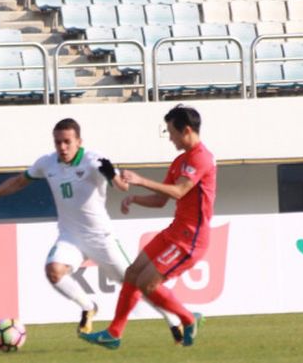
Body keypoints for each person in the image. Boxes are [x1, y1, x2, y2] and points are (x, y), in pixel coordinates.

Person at [0, 118, 183, 342]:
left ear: (79, 141)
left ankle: (173, 319)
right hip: (70, 237)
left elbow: (122, 186)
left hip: (101, 237)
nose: (62, 147)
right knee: (53, 271)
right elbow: (18, 182)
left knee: (135, 282)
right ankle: (88, 306)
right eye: (58, 142)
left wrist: (111, 174)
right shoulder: (47, 163)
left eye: (67, 142)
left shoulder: (94, 160)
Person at [80, 105, 216, 349]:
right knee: (133, 274)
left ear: (186, 130)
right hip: (175, 230)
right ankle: (114, 333)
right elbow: (162, 200)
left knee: (148, 283)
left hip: (191, 238)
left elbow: (179, 191)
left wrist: (141, 180)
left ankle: (187, 318)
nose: (170, 137)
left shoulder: (201, 157)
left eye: (171, 131)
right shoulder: (180, 161)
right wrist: (135, 198)